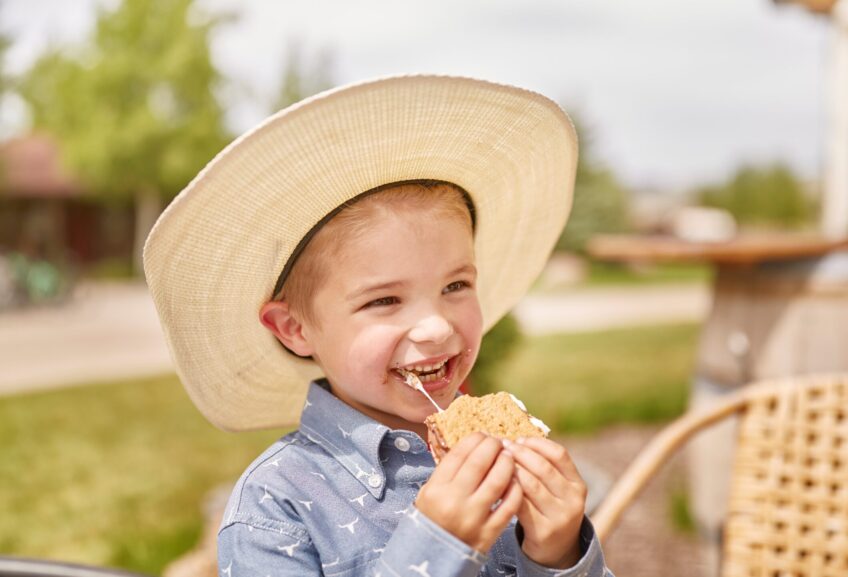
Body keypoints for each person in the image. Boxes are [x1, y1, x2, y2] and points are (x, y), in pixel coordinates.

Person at [144, 75, 613, 577]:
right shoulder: (274, 510)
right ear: (294, 329)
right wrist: (433, 550)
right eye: (385, 299)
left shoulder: (501, 459)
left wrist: (559, 555)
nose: (435, 327)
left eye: (455, 286)